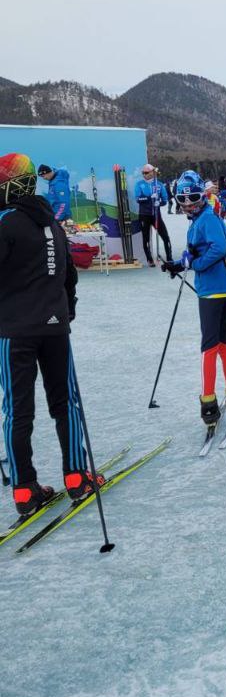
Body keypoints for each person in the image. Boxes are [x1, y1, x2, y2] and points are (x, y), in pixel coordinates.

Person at [0, 153, 102, 517]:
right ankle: (76, 475)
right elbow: (67, 274)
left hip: (14, 331)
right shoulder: (52, 224)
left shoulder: (5, 223)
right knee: (65, 402)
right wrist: (65, 311)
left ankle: (25, 489)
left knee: (17, 409)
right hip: (54, 326)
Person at [161, 171, 226, 427]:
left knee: (210, 347)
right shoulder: (202, 218)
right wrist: (179, 264)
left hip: (214, 291)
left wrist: (194, 264)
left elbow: (218, 248)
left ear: (202, 196)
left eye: (193, 198)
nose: (188, 204)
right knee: (223, 344)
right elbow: (202, 249)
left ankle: (208, 403)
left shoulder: (206, 218)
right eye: (183, 200)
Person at [134, 163, 173, 267]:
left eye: (146, 172)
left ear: (152, 172)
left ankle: (169, 258)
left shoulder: (159, 184)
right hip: (144, 215)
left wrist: (159, 203)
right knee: (145, 237)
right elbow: (138, 199)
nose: (144, 174)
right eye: (143, 173)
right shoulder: (139, 184)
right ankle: (149, 259)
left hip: (156, 215)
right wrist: (150, 198)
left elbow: (165, 200)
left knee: (165, 236)